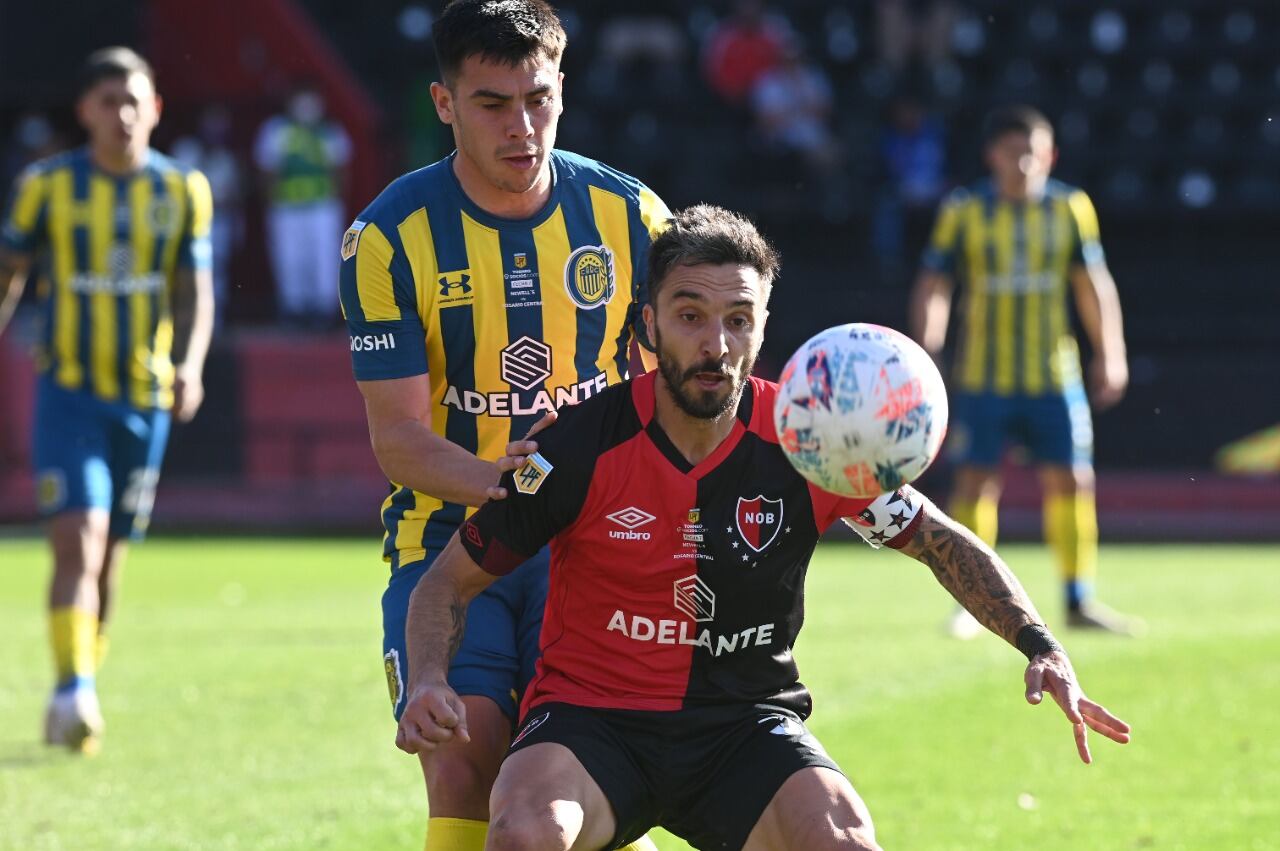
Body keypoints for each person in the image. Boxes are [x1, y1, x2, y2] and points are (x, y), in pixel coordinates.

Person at [395, 204, 1131, 850]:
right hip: (594, 724)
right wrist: (429, 677)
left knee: (845, 838)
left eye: (738, 319)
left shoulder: (814, 440)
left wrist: (1041, 643)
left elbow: (941, 541)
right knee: (523, 831)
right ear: (650, 322)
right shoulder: (578, 444)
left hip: (742, 726)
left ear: (763, 326)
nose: (716, 343)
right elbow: (447, 584)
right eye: (690, 315)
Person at [337, 2, 668, 849]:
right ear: (444, 103)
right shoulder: (388, 238)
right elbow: (400, 438)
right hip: (450, 535)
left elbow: (686, 391)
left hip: (598, 541)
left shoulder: (635, 219)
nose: (523, 127)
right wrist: (520, 483)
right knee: (460, 755)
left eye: (540, 98)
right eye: (492, 103)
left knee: (583, 775)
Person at [0, 47, 214, 754]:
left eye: (134, 101)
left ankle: (77, 687)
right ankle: (73, 690)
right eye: (107, 102)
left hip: (144, 399)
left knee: (111, 559)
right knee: (78, 539)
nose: (121, 115)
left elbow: (193, 289)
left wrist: (189, 362)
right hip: (68, 393)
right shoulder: (46, 188)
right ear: (85, 111)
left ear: (154, 108)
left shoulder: (183, 190)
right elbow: (11, 271)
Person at [910, 105, 1139, 638]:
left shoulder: (1070, 208)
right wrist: (929, 349)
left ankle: (1079, 599)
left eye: (1034, 151)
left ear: (1050, 155)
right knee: (976, 481)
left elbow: (1092, 282)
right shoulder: (964, 210)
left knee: (1073, 480)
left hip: (1054, 376)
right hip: (984, 374)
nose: (1024, 162)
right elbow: (934, 283)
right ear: (993, 155)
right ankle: (970, 604)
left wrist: (1111, 351)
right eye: (1014, 151)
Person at [254, 83, 351, 328]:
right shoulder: (276, 131)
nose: (307, 106)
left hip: (322, 207)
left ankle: (325, 309)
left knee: (323, 257)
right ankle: (293, 309)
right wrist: (271, 202)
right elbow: (266, 171)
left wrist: (335, 201)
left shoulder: (330, 132)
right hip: (286, 207)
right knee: (289, 257)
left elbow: (341, 171)